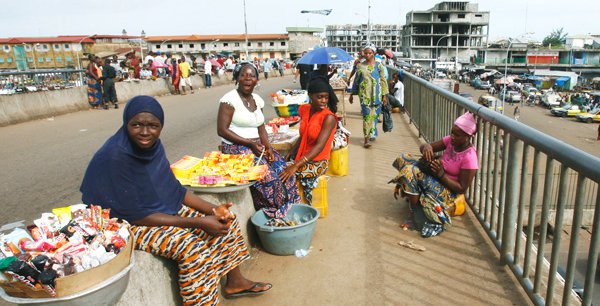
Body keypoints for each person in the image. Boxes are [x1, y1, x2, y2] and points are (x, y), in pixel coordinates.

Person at [80, 96, 272, 305]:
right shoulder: (116, 156)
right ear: (126, 124)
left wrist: (214, 210)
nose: (145, 132)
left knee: (226, 220)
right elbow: (136, 215)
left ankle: (235, 281)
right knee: (191, 248)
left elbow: (174, 190)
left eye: (153, 126)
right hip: (125, 223)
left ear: (160, 126)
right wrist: (198, 222)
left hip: (155, 210)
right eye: (136, 125)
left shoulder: (153, 147)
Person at [217, 63, 300, 218]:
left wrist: (268, 148)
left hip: (257, 146)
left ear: (256, 80)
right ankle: (273, 215)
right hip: (238, 148)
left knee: (285, 171)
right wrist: (250, 144)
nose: (248, 79)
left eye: (252, 76)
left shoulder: (257, 99)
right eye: (243, 75)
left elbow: (261, 127)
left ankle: (291, 209)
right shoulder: (229, 100)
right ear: (237, 78)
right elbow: (222, 130)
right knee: (269, 179)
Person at [389, 112, 479, 238]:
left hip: (449, 193)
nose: (452, 137)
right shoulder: (450, 141)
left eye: (457, 135)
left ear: (468, 136)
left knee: (410, 172)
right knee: (403, 158)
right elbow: (426, 146)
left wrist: (442, 175)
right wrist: (426, 148)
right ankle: (415, 196)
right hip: (436, 178)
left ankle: (417, 215)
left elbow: (461, 188)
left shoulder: (470, 158)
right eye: (452, 133)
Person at [280, 76, 337, 204]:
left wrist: (295, 165)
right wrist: (293, 150)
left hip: (318, 162)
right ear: (310, 96)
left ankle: (292, 208)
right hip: (302, 157)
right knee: (277, 167)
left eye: (326, 97)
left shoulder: (329, 118)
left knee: (283, 176)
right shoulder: (305, 109)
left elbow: (319, 147)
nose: (323, 101)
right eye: (320, 97)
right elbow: (304, 134)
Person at [349, 44, 389, 148]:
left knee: (375, 117)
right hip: (364, 96)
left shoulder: (379, 66)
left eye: (370, 53)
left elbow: (383, 81)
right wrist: (352, 94)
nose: (367, 55)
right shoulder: (360, 66)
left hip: (377, 95)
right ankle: (366, 139)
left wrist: (385, 96)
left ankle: (372, 133)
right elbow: (356, 81)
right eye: (366, 53)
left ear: (374, 54)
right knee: (367, 117)